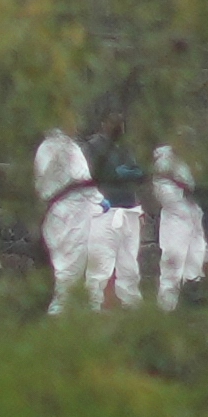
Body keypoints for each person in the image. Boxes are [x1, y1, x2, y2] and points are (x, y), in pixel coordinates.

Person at [34, 128, 101, 316]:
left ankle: (89, 309)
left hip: (82, 207)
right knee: (67, 266)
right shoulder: (50, 148)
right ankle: (59, 313)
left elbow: (83, 179)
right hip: (66, 212)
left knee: (89, 261)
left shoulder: (71, 147)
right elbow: (51, 183)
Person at [83, 114, 144, 309]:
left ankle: (131, 304)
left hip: (129, 209)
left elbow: (138, 172)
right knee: (100, 265)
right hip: (105, 211)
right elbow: (88, 176)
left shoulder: (125, 147)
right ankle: (93, 307)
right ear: (103, 123)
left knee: (129, 265)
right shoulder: (93, 147)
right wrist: (112, 175)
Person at [151, 144, 208, 311]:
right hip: (175, 221)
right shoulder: (164, 161)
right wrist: (184, 193)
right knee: (172, 268)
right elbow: (163, 193)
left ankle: (190, 308)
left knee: (195, 266)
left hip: (194, 217)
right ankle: (166, 309)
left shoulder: (192, 161)